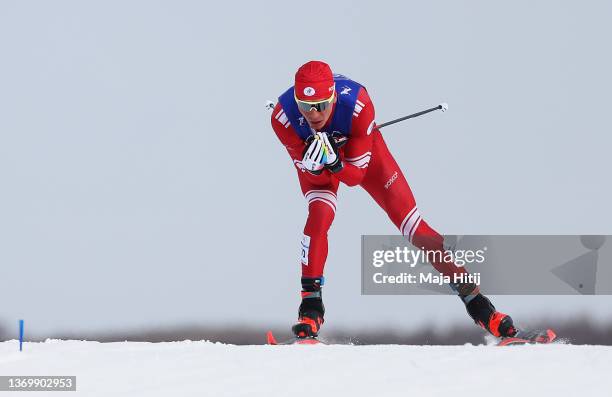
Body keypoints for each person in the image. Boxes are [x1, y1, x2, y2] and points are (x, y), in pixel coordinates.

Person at [270, 60, 554, 343]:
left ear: (332, 96)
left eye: (321, 104)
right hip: (322, 166)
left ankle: (484, 310)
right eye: (306, 106)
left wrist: (334, 162)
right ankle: (310, 312)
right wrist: (316, 166)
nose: (314, 114)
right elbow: (315, 179)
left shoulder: (357, 104)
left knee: (419, 233)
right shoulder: (282, 117)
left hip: (363, 159)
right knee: (318, 218)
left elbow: (355, 176)